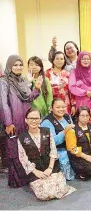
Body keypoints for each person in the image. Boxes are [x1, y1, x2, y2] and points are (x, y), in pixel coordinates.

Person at [0, 55, 42, 187]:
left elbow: (29, 98)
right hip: (13, 121)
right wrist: (8, 122)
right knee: (14, 149)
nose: (18, 67)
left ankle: (26, 175)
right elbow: (3, 103)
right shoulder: (4, 81)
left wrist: (37, 88)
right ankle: (16, 180)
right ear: (9, 66)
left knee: (24, 147)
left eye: (20, 65)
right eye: (15, 65)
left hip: (25, 119)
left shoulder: (23, 80)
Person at [18, 108, 76, 200]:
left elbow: (53, 150)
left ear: (40, 120)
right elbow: (23, 158)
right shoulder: (21, 137)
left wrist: (50, 168)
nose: (34, 121)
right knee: (44, 195)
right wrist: (36, 172)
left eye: (36, 118)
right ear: (26, 120)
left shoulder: (47, 131)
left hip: (51, 166)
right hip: (35, 170)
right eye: (31, 118)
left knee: (59, 189)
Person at [66, 106, 91, 180]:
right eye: (82, 116)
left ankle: (87, 172)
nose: (85, 118)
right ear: (78, 116)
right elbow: (72, 149)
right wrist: (86, 157)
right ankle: (81, 173)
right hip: (79, 158)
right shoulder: (72, 130)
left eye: (87, 116)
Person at [41, 99, 75, 181]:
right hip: (56, 150)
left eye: (63, 107)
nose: (61, 109)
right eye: (58, 107)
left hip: (70, 147)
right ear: (51, 108)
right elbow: (53, 141)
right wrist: (64, 131)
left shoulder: (67, 117)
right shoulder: (47, 122)